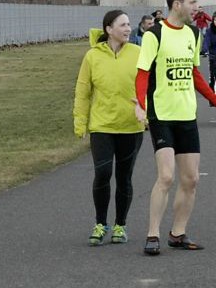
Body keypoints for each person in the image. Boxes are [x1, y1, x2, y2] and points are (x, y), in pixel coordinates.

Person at [135, 0, 216, 256]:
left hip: (186, 115)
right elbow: (142, 74)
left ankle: (178, 234)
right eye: (192, 2)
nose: (197, 7)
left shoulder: (194, 33)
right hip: (161, 114)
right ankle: (152, 234)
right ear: (177, 3)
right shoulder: (154, 34)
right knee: (167, 176)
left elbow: (194, 73)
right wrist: (140, 104)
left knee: (191, 180)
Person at [74, 10, 146, 246]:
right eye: (123, 25)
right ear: (108, 29)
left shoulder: (138, 53)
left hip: (130, 127)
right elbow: (83, 91)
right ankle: (100, 223)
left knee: (124, 178)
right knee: (103, 174)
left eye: (129, 25)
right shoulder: (92, 56)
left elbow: (150, 86)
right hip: (102, 126)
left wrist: (146, 109)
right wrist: (80, 121)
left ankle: (120, 225)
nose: (128, 29)